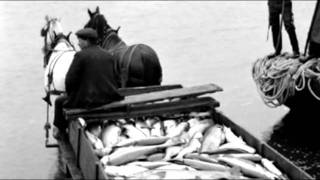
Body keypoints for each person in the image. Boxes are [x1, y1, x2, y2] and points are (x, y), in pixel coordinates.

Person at [53, 28, 123, 138]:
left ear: (86, 41)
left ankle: (60, 132)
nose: (78, 44)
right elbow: (118, 79)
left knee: (59, 101)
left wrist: (71, 95)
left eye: (79, 41)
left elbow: (70, 80)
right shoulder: (109, 55)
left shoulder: (80, 56)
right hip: (110, 98)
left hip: (89, 101)